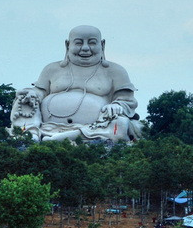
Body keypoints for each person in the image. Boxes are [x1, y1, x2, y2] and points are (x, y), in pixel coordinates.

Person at [10, 25, 141, 145]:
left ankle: (64, 138)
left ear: (102, 45)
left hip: (96, 128)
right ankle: (29, 133)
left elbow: (127, 100)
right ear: (68, 45)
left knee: (121, 123)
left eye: (92, 43)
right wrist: (32, 93)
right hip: (48, 125)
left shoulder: (115, 71)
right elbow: (40, 91)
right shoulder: (52, 69)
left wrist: (117, 105)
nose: (85, 48)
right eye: (78, 43)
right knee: (24, 98)